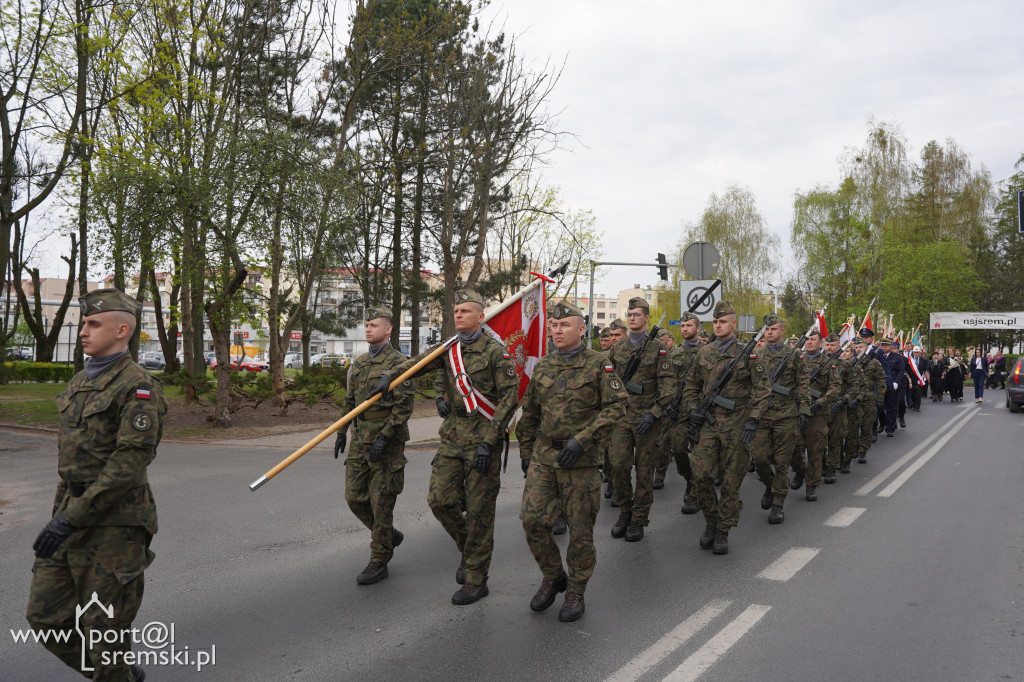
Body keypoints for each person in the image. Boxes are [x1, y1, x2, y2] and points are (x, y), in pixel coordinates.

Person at [27, 289, 166, 682]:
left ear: (121, 331)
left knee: (104, 632)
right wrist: (62, 515)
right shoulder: (80, 382)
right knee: (45, 617)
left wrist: (70, 518)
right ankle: (117, 676)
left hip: (114, 525)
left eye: (93, 324)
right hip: (70, 515)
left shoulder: (138, 387)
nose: (83, 331)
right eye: (84, 323)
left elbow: (129, 463)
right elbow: (73, 462)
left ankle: (113, 673)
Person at [367, 288, 519, 605]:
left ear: (481, 316)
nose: (458, 315)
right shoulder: (449, 349)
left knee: (479, 511)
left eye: (465, 311)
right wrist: (389, 377)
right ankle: (469, 548)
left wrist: (491, 441)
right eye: (456, 311)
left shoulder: (496, 352)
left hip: (483, 438)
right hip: (452, 436)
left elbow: (509, 399)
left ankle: (476, 579)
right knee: (440, 500)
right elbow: (417, 364)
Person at [517, 300, 627, 622]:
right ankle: (554, 577)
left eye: (565, 325)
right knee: (532, 520)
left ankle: (576, 590)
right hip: (544, 457)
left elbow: (617, 407)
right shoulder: (543, 366)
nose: (557, 330)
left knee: (579, 530)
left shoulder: (599, 364)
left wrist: (583, 440)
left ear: (582, 330)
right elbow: (530, 413)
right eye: (554, 325)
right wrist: (525, 452)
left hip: (581, 461)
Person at [334, 307, 414, 585]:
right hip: (360, 437)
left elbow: (404, 407)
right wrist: (341, 431)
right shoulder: (360, 363)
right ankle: (388, 535)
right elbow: (350, 401)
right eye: (366, 325)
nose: (368, 329)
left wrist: (384, 437)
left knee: (381, 503)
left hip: (387, 441)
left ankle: (379, 559)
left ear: (388, 329)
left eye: (374, 325)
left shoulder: (399, 363)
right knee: (354, 497)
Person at [680, 300, 762, 554]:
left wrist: (753, 419)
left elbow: (763, 390)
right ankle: (711, 521)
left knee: (730, 481)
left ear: (733, 323)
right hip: (708, 423)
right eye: (715, 321)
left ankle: (723, 529)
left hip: (736, 425)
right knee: (701, 475)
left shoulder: (748, 353)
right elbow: (691, 386)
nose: (718, 325)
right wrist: (693, 409)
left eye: (723, 321)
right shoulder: (704, 353)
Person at [606, 297, 675, 542]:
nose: (632, 317)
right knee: (618, 466)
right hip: (622, 418)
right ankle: (625, 511)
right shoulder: (618, 349)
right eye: (629, 314)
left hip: (647, 419)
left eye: (636, 314)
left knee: (645, 471)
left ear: (646, 318)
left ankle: (639, 518)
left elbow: (668, 389)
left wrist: (653, 414)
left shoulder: (658, 348)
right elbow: (609, 382)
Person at [750, 314, 811, 524]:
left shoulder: (794, 355)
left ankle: (777, 506)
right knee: (759, 459)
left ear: (782, 331)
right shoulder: (756, 354)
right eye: (767, 329)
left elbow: (803, 384)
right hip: (762, 414)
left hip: (786, 415)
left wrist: (804, 410)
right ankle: (770, 485)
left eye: (773, 329)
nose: (769, 332)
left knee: (781, 463)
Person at [791, 330, 840, 502]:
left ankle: (811, 485)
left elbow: (835, 387)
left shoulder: (828, 363)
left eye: (813, 339)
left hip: (817, 414)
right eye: (807, 339)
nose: (809, 342)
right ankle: (799, 470)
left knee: (815, 451)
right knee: (793, 447)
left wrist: (821, 402)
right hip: (796, 411)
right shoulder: (796, 360)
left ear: (821, 343)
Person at [663, 312, 703, 514]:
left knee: (700, 454)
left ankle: (695, 491)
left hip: (702, 411)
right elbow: (668, 383)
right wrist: (668, 405)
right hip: (681, 411)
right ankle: (690, 480)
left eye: (689, 325)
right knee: (679, 449)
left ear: (698, 328)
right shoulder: (675, 355)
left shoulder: (708, 352)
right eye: (682, 325)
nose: (685, 329)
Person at [822, 334, 851, 483]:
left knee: (834, 440)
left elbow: (855, 387)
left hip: (837, 408)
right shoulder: (817, 363)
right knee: (819, 440)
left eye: (832, 345)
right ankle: (821, 465)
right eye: (827, 345)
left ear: (838, 346)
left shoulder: (845, 365)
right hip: (820, 407)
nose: (829, 348)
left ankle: (831, 469)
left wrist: (845, 399)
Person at [652, 327, 676, 489]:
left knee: (665, 443)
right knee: (655, 442)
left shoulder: (676, 356)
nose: (660, 343)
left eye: (663, 341)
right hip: (656, 403)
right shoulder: (653, 356)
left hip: (675, 404)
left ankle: (660, 474)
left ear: (670, 341)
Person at [878, 337, 904, 437]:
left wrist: (896, 383)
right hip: (880, 385)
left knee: (891, 408)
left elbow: (901, 371)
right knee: (879, 407)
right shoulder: (878, 356)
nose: (884, 347)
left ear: (891, 346)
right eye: (883, 345)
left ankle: (890, 428)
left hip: (892, 385)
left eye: (886, 345)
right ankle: (882, 423)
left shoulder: (897, 357)